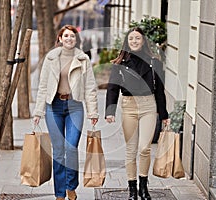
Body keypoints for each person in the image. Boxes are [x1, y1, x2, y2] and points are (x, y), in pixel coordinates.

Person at [32, 25, 99, 200]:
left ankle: (71, 186)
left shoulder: (83, 59)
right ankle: (60, 194)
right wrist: (38, 111)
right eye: (66, 36)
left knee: (71, 147)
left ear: (76, 39)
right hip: (53, 107)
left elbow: (91, 87)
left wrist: (93, 112)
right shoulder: (51, 58)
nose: (69, 39)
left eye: (72, 36)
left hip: (74, 106)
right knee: (59, 150)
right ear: (60, 38)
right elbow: (43, 86)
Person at [105, 27, 170, 200]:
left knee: (144, 148)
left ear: (143, 42)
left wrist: (164, 114)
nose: (134, 41)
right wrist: (110, 111)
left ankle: (143, 186)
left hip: (149, 106)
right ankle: (132, 189)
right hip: (129, 107)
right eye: (131, 38)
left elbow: (160, 91)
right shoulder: (119, 63)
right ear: (127, 42)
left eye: (138, 39)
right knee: (131, 149)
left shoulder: (154, 62)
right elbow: (112, 88)